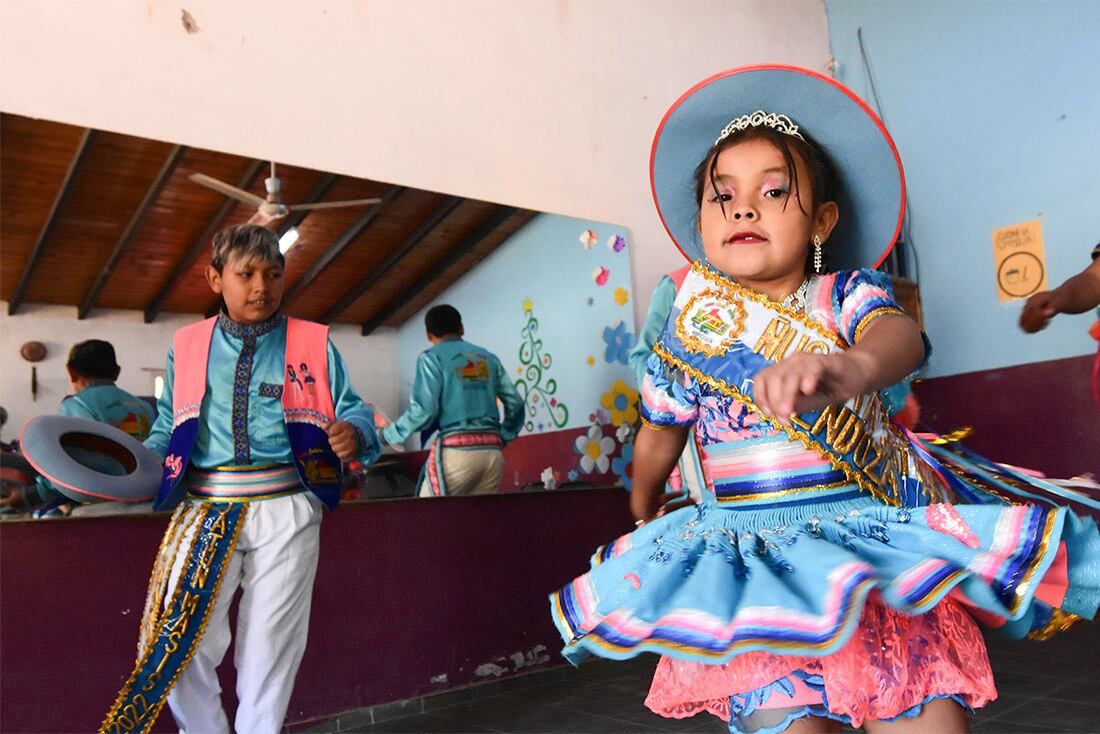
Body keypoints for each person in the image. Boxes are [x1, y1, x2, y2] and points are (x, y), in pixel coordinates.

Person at [549, 66, 1100, 734]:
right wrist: (642, 506)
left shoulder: (845, 296)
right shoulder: (687, 334)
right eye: (723, 197)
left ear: (823, 219)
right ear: (701, 221)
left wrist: (853, 366)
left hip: (874, 555)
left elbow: (899, 335)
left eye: (773, 190)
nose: (744, 208)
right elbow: (659, 435)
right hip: (756, 571)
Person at [101, 224, 381, 734]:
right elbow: (169, 425)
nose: (261, 287)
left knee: (270, 650)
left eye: (273, 273)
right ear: (215, 278)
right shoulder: (185, 346)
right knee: (178, 641)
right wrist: (138, 465)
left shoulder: (313, 342)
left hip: (290, 505)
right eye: (246, 274)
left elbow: (355, 409)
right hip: (205, 507)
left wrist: (355, 433)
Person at [375, 304, 524, 497]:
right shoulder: (488, 358)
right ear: (461, 328)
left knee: (427, 519)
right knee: (478, 523)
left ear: (429, 335)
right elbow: (516, 403)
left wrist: (387, 435)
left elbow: (424, 411)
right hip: (492, 454)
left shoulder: (431, 358)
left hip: (458, 454)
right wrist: (505, 434)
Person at [0, 340, 155, 515]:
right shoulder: (144, 406)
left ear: (71, 373)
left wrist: (33, 494)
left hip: (102, 504)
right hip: (148, 497)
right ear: (117, 372)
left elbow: (76, 464)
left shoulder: (77, 404)